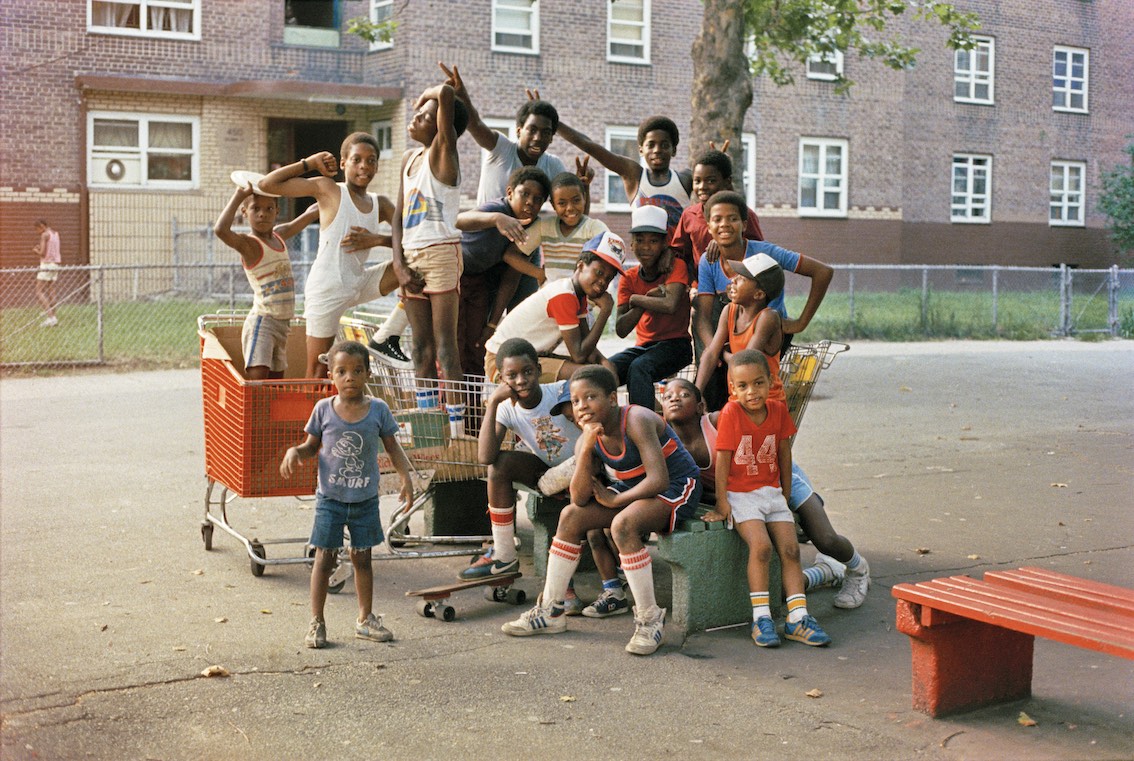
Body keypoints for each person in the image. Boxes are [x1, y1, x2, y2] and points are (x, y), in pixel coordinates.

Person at [502, 365, 703, 656]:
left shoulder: (636, 419)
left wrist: (615, 502)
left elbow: (659, 479)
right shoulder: (588, 436)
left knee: (622, 524)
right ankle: (551, 611)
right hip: (634, 492)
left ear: (612, 398)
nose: (582, 406)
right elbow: (579, 499)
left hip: (677, 488)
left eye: (590, 397)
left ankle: (649, 620)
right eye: (576, 401)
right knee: (570, 516)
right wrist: (584, 450)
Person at [662, 378, 871, 608]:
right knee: (778, 591)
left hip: (779, 476)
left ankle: (858, 569)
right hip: (746, 495)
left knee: (826, 539)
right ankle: (825, 571)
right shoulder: (667, 443)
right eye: (667, 396)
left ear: (701, 406)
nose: (674, 398)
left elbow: (770, 439)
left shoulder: (718, 421)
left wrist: (784, 495)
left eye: (684, 394)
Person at [279, 340, 414, 649]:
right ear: (331, 375)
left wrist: (406, 477)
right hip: (331, 500)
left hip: (365, 500)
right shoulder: (323, 409)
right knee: (324, 560)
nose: (349, 377)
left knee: (362, 559)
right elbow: (311, 446)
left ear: (367, 374)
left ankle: (365, 619)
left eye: (356, 371)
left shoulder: (377, 410)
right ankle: (317, 622)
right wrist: (295, 451)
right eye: (341, 371)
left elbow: (393, 448)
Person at [714, 350, 831, 648]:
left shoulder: (778, 410)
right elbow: (723, 460)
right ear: (732, 388)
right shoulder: (731, 414)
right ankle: (761, 618)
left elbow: (784, 453)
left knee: (791, 550)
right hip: (741, 496)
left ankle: (798, 618)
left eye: (758, 383)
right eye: (743, 386)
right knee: (762, 547)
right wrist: (722, 503)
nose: (751, 392)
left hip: (773, 492)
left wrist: (787, 492)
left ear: (771, 382)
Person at [258, 132, 399, 378]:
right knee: (319, 370)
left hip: (359, 282)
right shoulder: (329, 190)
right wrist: (309, 164)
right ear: (343, 163)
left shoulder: (381, 203)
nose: (364, 166)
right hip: (328, 289)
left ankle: (387, 336)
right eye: (356, 160)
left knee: (415, 265)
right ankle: (313, 416)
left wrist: (377, 240)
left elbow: (412, 240)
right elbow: (267, 185)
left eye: (371, 160)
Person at [470, 338, 590, 612]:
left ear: (538, 369)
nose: (521, 380)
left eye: (527, 371)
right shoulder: (506, 408)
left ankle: (563, 588)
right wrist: (493, 405)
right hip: (550, 473)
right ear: (501, 378)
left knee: (570, 510)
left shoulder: (559, 390)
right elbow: (485, 456)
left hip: (584, 468)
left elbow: (588, 430)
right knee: (499, 466)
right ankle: (504, 554)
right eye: (511, 376)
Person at [443, 63, 568, 307]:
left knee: (524, 312)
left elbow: (567, 206)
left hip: (522, 248)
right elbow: (476, 125)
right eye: (532, 130)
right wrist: (462, 94)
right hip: (484, 243)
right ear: (519, 130)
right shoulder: (502, 149)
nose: (537, 137)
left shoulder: (553, 165)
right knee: (482, 314)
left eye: (545, 132)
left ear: (552, 137)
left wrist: (582, 185)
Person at [696, 190, 833, 410]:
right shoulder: (709, 261)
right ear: (708, 226)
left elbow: (823, 271)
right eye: (717, 219)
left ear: (744, 223)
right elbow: (703, 316)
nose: (725, 225)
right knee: (712, 376)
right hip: (736, 330)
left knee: (746, 380)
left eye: (732, 219)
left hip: (765, 332)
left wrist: (800, 323)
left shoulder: (764, 255)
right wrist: (713, 349)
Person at [391, 76, 471, 435]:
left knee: (444, 348)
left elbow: (446, 93)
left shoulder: (443, 154)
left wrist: (429, 95)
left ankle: (455, 432)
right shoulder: (410, 158)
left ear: (444, 129)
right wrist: (398, 264)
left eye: (425, 115)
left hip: (440, 255)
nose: (416, 118)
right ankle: (427, 428)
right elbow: (397, 216)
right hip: (410, 257)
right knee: (419, 347)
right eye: (419, 113)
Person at [483, 232, 625, 384]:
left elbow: (587, 349)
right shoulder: (564, 295)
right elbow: (579, 354)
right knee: (591, 376)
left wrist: (604, 361)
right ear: (581, 265)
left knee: (596, 370)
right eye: (599, 272)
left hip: (528, 357)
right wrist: (605, 312)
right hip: (503, 362)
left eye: (609, 278)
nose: (603, 281)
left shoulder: (577, 295)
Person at [455, 166, 550, 378]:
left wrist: (492, 322)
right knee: (455, 341)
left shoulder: (531, 226)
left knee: (477, 342)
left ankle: (472, 404)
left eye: (537, 199)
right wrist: (496, 219)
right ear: (509, 193)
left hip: (479, 281)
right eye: (524, 194)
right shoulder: (497, 209)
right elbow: (457, 221)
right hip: (454, 275)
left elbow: (512, 275)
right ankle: (450, 402)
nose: (529, 202)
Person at [213, 184, 315, 380]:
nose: (262, 214)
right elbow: (221, 230)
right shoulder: (250, 244)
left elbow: (310, 213)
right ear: (245, 212)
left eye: (269, 209)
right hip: (263, 323)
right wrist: (238, 195)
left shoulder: (280, 236)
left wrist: (331, 194)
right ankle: (254, 412)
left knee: (276, 382)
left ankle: (268, 412)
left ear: (277, 211)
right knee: (257, 381)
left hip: (283, 325)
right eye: (255, 209)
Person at [610, 205, 693, 409]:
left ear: (664, 244)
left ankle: (643, 427)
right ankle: (611, 425)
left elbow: (670, 304)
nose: (646, 247)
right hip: (644, 347)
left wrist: (637, 299)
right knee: (606, 370)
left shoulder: (676, 267)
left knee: (640, 368)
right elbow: (621, 329)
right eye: (640, 240)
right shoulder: (629, 278)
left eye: (653, 241)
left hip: (677, 345)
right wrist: (643, 300)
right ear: (631, 244)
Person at [556, 114, 691, 233]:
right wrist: (554, 122)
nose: (657, 150)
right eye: (651, 145)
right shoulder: (634, 175)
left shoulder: (685, 179)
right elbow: (589, 145)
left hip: (681, 260)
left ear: (674, 150)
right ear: (641, 150)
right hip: (646, 257)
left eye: (664, 145)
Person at [669, 149, 764, 274]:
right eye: (697, 181)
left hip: (736, 285)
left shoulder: (743, 214)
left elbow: (758, 253)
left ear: (727, 182)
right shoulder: (689, 215)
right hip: (701, 286)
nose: (702, 187)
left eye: (711, 181)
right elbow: (679, 254)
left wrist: (725, 241)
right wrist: (690, 283)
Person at [510, 170, 607, 275]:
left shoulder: (594, 227)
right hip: (551, 291)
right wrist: (539, 274)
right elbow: (510, 254)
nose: (570, 208)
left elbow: (615, 255)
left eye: (576, 200)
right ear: (553, 205)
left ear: (584, 198)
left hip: (580, 291)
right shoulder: (545, 226)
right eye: (562, 203)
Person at [32, 220, 61, 327]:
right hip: (55, 264)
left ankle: (50, 317)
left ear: (42, 226)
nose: (37, 232)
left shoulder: (44, 235)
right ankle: (53, 315)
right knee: (52, 290)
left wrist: (36, 250)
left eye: (37, 229)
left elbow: (43, 254)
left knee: (39, 291)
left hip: (46, 265)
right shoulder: (55, 234)